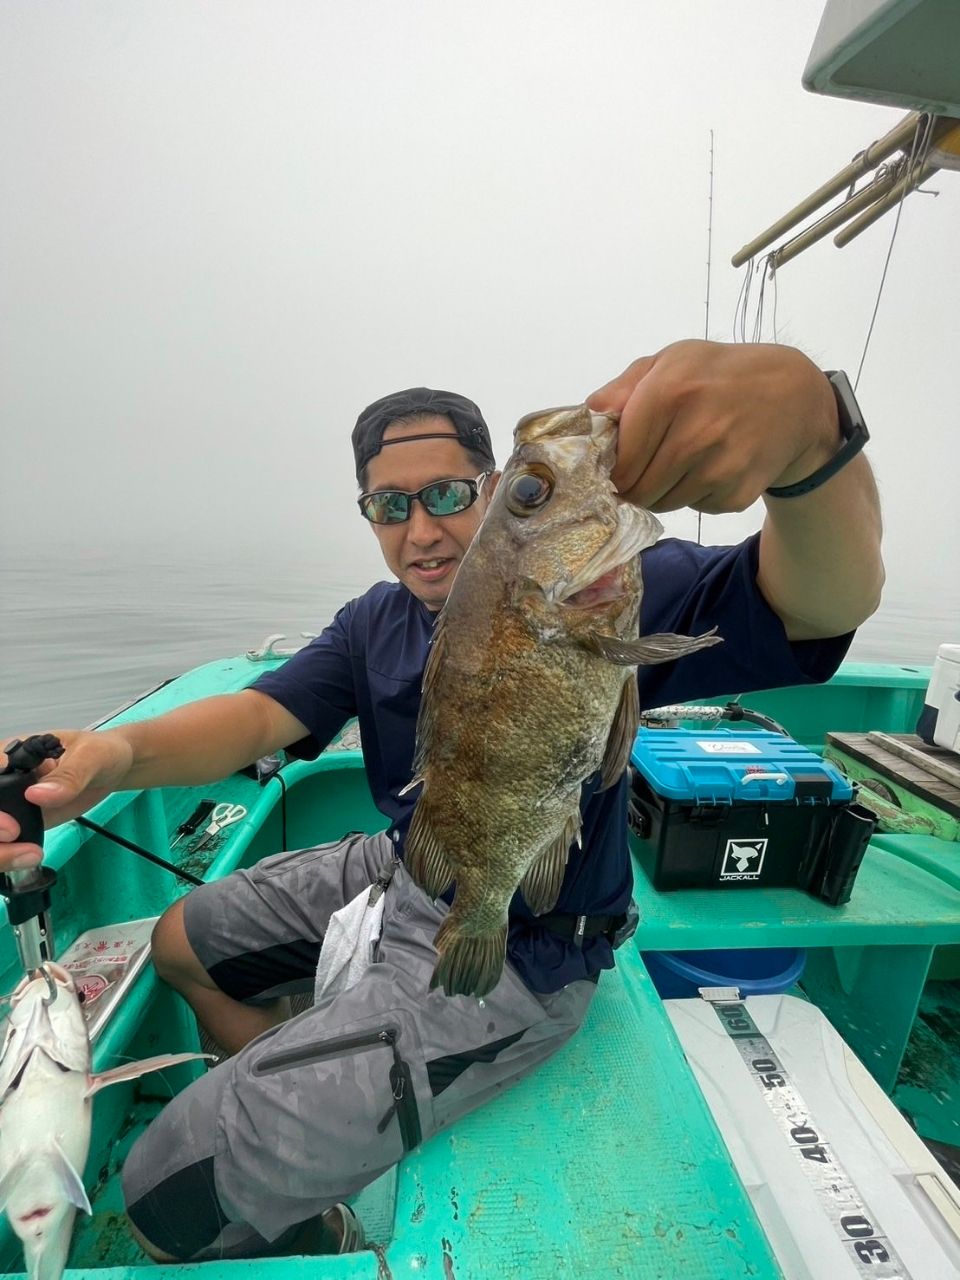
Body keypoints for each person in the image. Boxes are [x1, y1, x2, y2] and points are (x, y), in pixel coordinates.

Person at [0, 340, 883, 1259]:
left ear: (496, 489)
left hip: (528, 945)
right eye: (389, 506)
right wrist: (117, 752)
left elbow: (817, 604)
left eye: (451, 496)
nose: (420, 529)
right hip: (411, 864)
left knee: (167, 1192)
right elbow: (258, 714)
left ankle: (295, 1186)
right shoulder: (372, 623)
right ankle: (285, 1084)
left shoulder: (601, 589)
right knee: (182, 939)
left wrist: (815, 441)